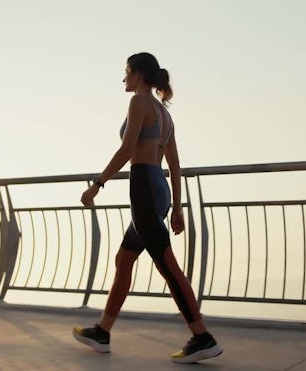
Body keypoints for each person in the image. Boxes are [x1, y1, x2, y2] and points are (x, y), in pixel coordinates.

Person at [72, 52, 223, 364]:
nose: (124, 78)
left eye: (126, 72)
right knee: (124, 258)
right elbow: (175, 164)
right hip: (159, 191)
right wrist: (177, 207)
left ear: (138, 73)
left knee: (167, 265)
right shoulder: (164, 113)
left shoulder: (139, 102)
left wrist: (96, 184)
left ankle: (202, 336)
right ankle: (103, 331)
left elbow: (127, 148)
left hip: (143, 188)